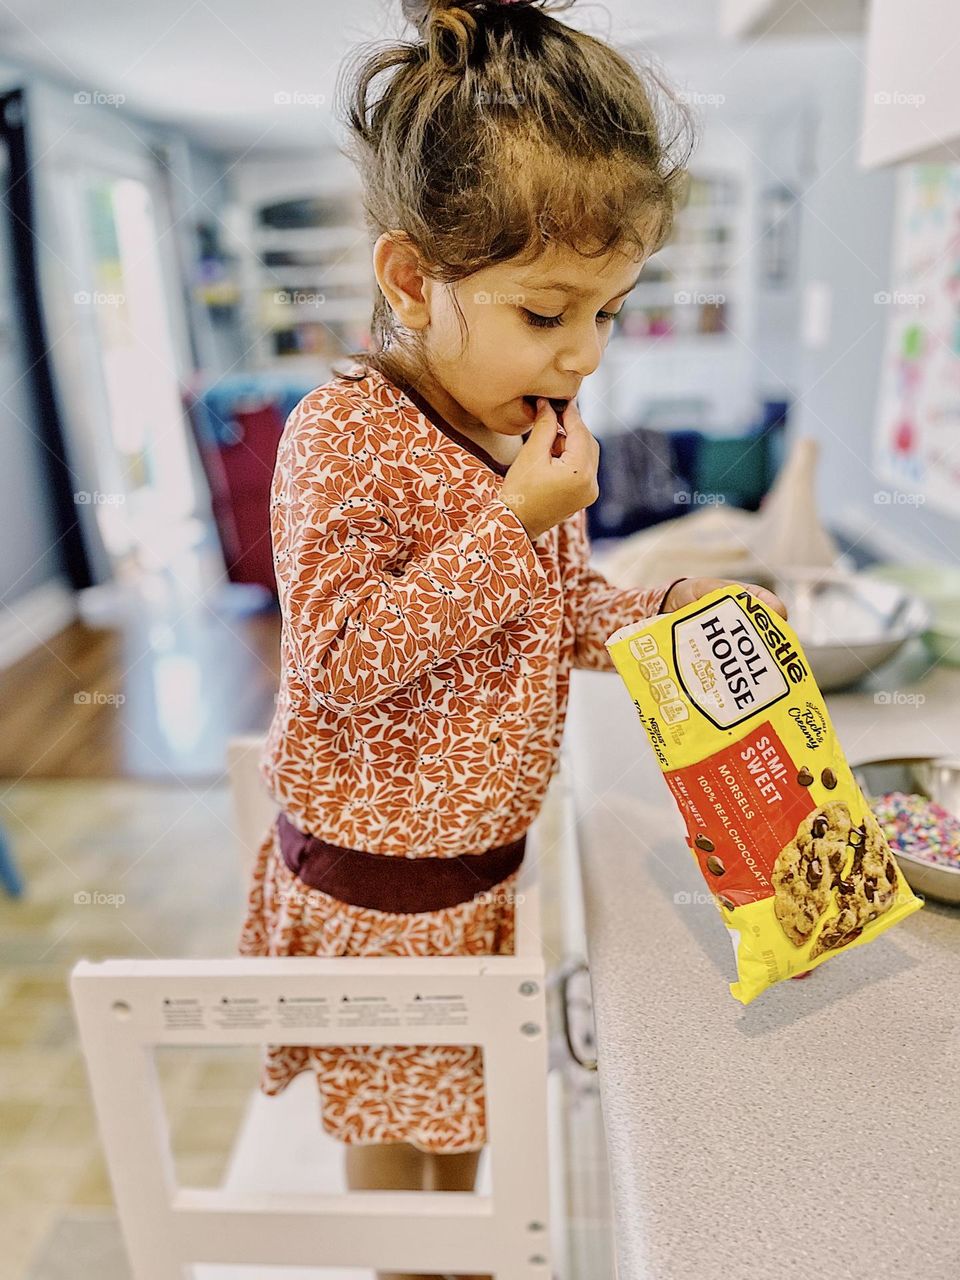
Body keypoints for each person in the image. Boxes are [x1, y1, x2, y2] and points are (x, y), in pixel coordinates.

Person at [237, 2, 788, 1277]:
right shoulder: (345, 436)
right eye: (548, 314)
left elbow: (550, 616)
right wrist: (514, 519)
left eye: (609, 312)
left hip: (479, 866)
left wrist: (665, 612)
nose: (586, 354)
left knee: (459, 1116)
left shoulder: (515, 432)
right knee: (397, 1137)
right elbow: (343, 654)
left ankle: (457, 1251)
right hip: (384, 887)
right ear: (411, 281)